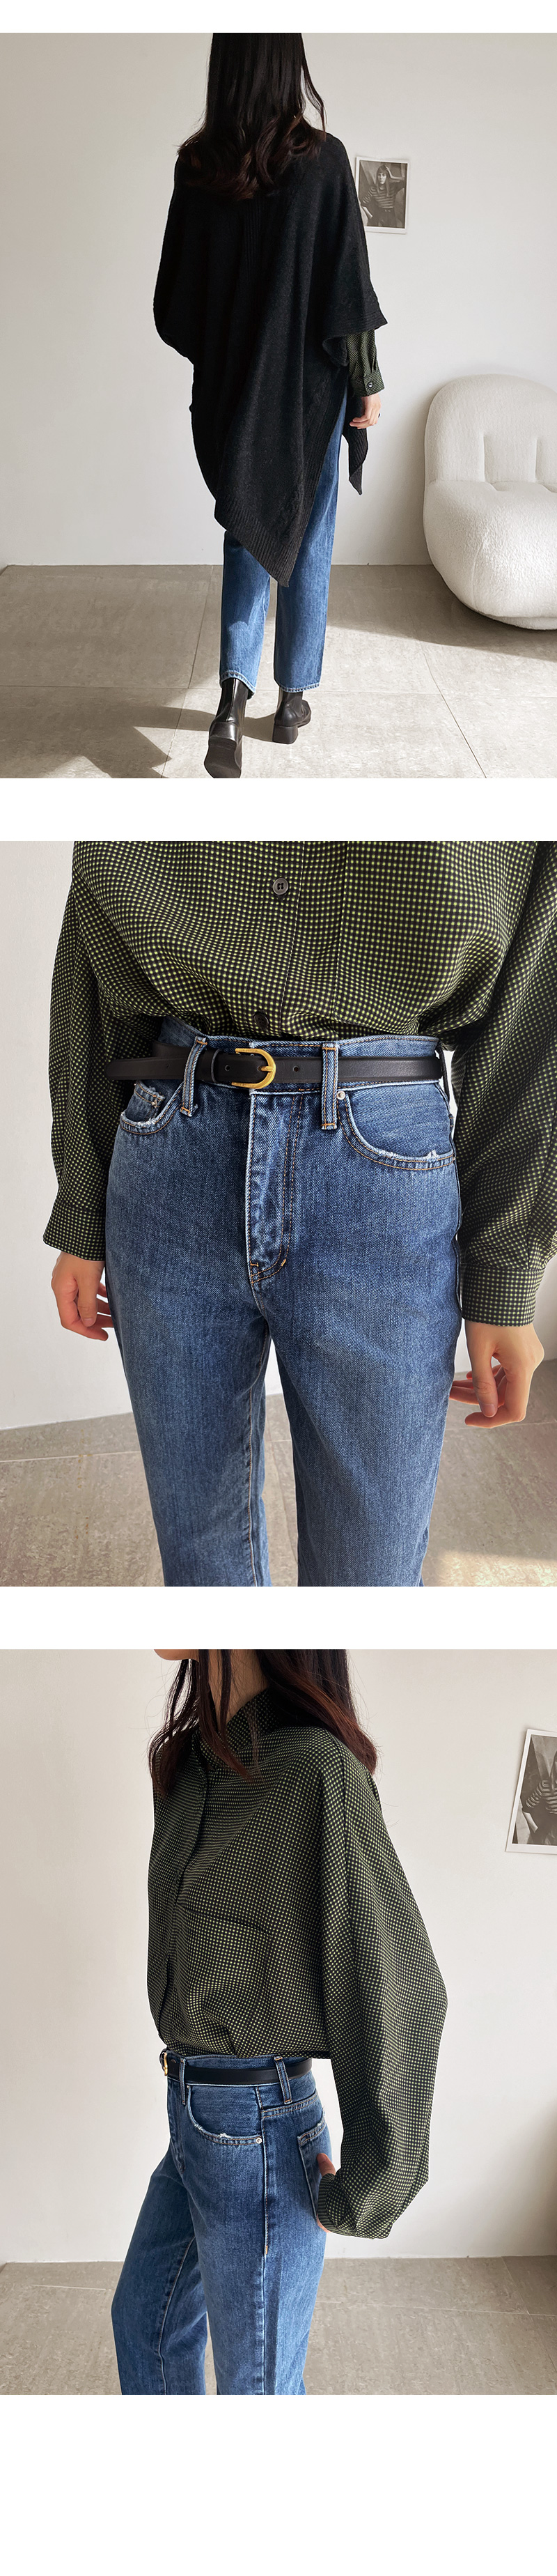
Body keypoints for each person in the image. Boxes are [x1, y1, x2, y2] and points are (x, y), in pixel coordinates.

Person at [46, 840, 556, 1588]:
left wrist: (503, 1280)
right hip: (168, 1151)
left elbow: (530, 1032)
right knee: (198, 1554)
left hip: (382, 1170)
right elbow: (91, 980)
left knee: (372, 1570)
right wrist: (82, 1212)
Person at [111, 1647, 448, 2396]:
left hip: (256, 2127)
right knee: (144, 2325)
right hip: (191, 2112)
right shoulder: (185, 1767)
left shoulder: (315, 1772)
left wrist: (371, 2182)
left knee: (257, 2390)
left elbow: (399, 1981)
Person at [153, 35, 386, 776]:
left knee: (246, 528)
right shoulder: (323, 161)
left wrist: (232, 356)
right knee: (308, 535)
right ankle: (291, 700)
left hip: (231, 394)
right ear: (289, 65)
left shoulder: (199, 166)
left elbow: (175, 303)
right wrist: (366, 381)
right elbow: (348, 289)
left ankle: (230, 697)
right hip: (309, 394)